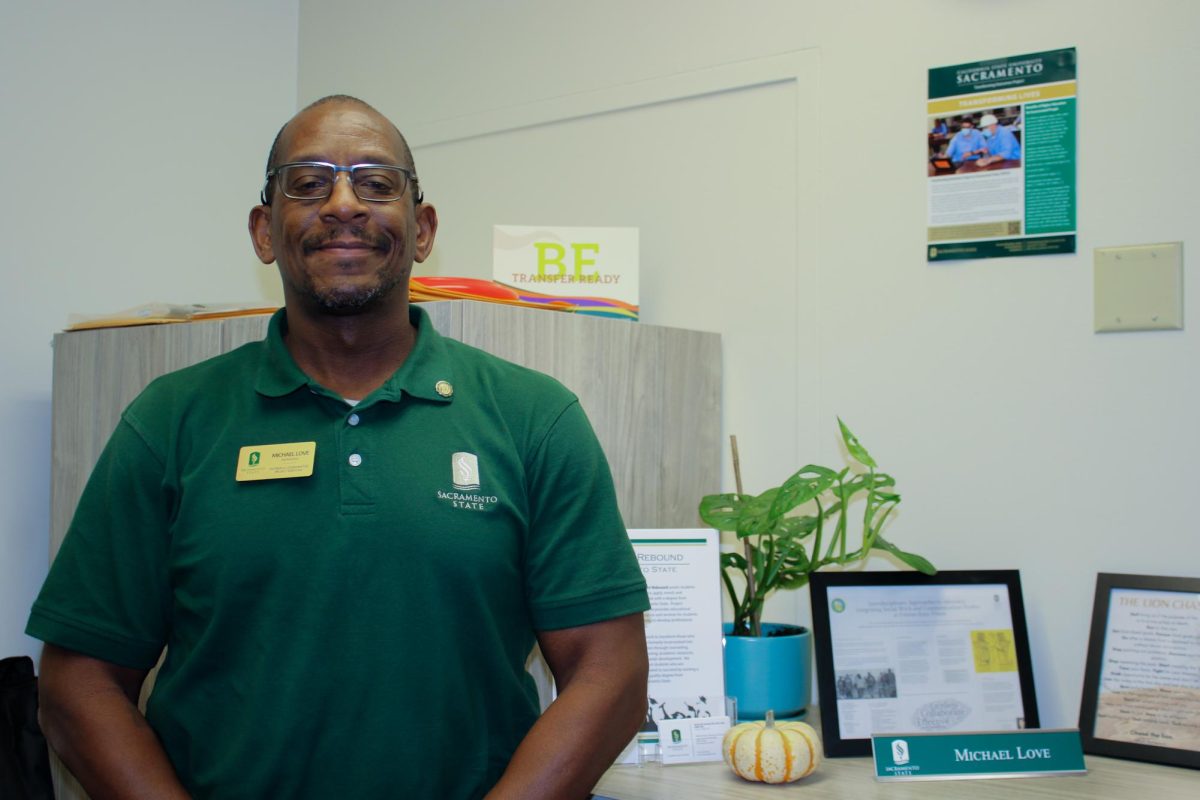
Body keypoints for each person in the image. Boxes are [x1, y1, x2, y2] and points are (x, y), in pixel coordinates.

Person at [27, 95, 650, 800]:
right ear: (265, 230)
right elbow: (79, 681)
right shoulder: (171, 421)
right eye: (309, 182)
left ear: (423, 229)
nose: (345, 204)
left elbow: (612, 674)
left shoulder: (534, 418)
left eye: (378, 183)